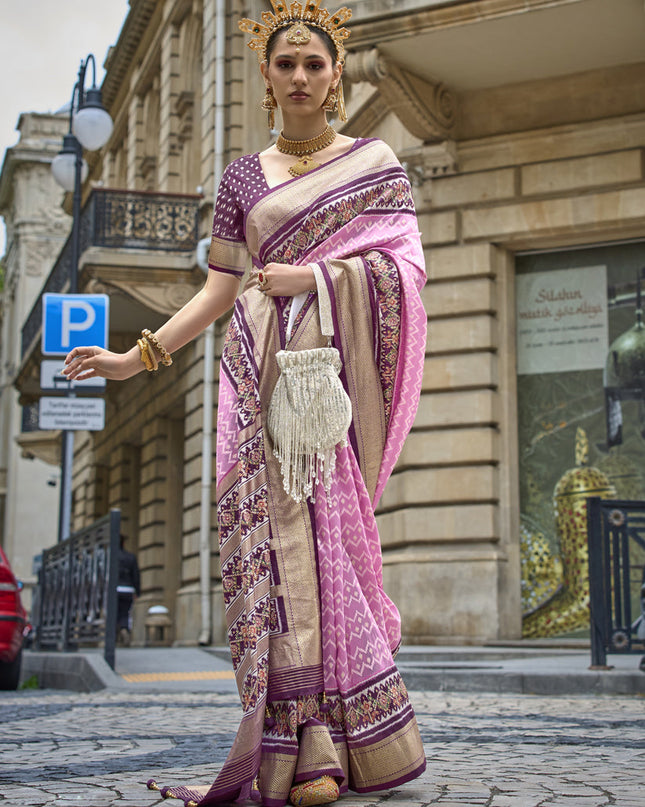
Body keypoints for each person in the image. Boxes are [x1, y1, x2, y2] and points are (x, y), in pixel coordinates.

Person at [63, 2, 428, 804]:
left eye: (314, 65)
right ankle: (299, 737)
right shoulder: (240, 178)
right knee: (269, 549)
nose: (300, 76)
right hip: (251, 381)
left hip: (318, 390)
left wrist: (318, 279)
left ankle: (338, 737)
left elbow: (404, 271)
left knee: (324, 544)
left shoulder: (376, 163)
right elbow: (217, 291)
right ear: (266, 76)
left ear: (335, 78)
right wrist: (135, 357)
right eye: (285, 64)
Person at [116, 534, 141, 646]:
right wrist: (137, 591)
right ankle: (124, 628)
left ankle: (116, 635)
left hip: (114, 589)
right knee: (125, 612)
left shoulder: (110, 557)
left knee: (115, 613)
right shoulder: (130, 557)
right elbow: (136, 575)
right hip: (127, 589)